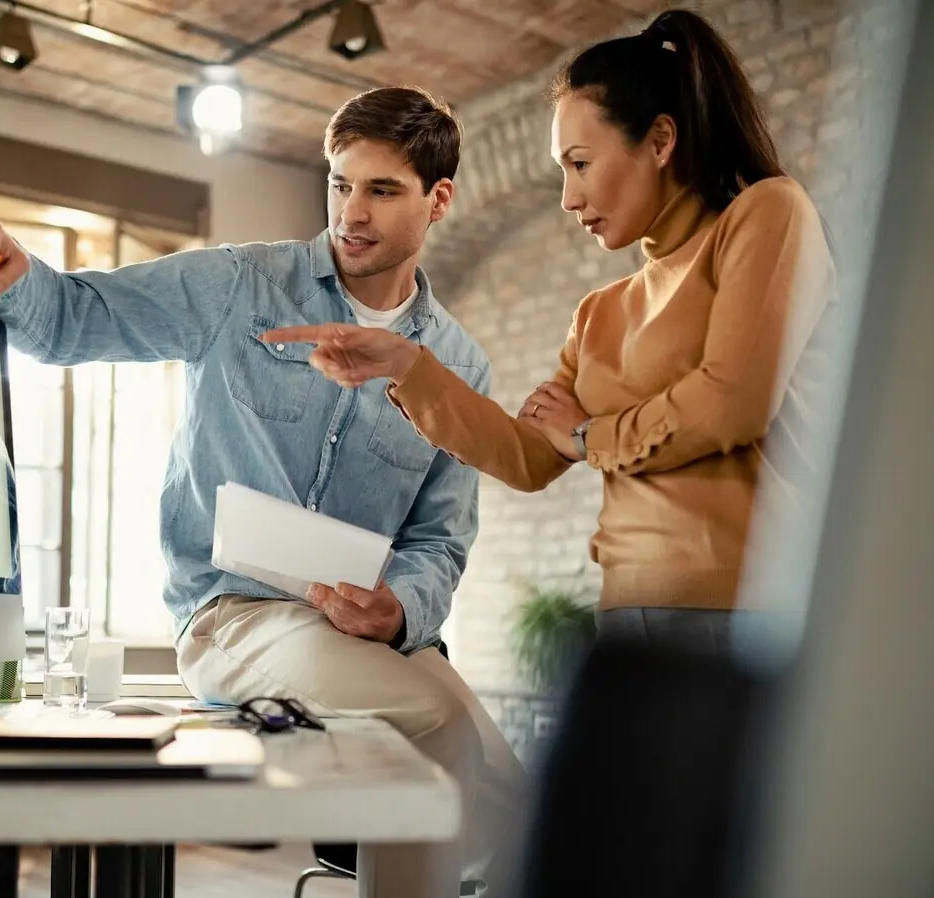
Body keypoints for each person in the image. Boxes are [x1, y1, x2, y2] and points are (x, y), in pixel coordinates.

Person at [0, 87, 527, 898]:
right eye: (339, 183)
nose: (350, 214)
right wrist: (13, 271)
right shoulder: (242, 285)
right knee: (438, 726)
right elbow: (74, 319)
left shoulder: (457, 365)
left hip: (374, 635)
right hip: (234, 618)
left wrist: (400, 610)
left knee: (528, 802)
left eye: (382, 190)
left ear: (439, 199)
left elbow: (441, 542)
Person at [263, 9, 837, 658]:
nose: (567, 197)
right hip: (627, 615)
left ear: (660, 141)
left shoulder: (767, 214)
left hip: (752, 609)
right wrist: (405, 364)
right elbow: (528, 456)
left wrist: (590, 434)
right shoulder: (601, 312)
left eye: (581, 164)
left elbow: (732, 401)